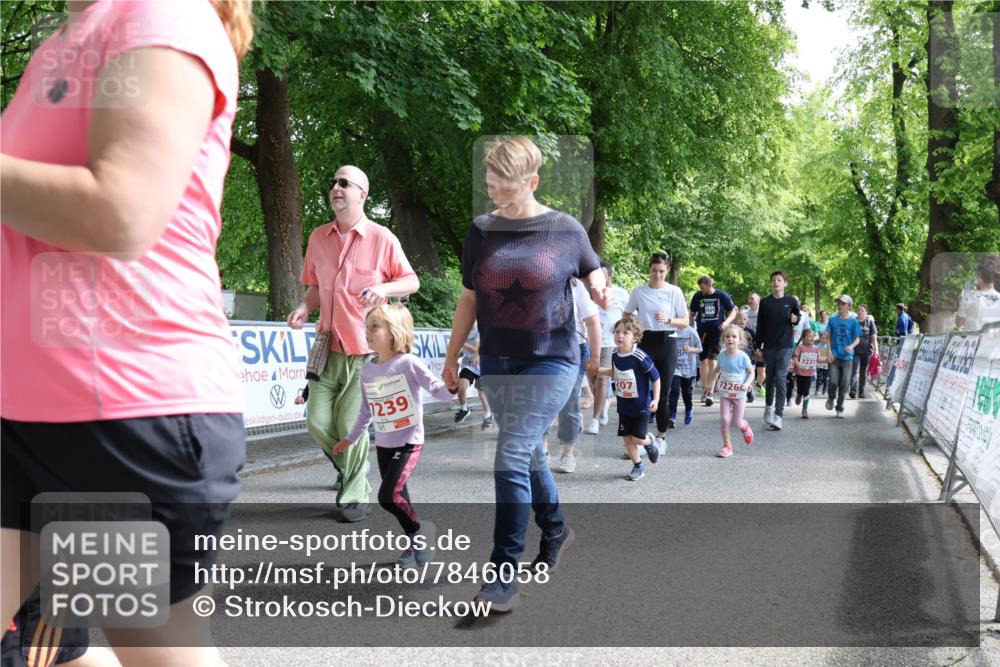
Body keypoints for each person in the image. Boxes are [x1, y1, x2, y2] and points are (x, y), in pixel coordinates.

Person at [1, 1, 255, 664]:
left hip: (118, 415)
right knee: (45, 647)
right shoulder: (69, 35)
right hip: (25, 412)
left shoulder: (159, 15)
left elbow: (121, 212)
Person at [442, 136, 610, 612]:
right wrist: (454, 356)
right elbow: (470, 298)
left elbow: (592, 270)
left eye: (505, 185)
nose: (494, 192)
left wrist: (598, 286)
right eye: (490, 183)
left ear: (532, 182)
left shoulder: (565, 228)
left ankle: (502, 574)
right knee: (529, 451)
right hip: (497, 360)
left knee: (512, 451)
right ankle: (556, 529)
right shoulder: (480, 230)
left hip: (553, 358)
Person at [287, 165, 419, 523]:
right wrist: (303, 307)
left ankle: (355, 492)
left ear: (362, 194)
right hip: (326, 346)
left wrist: (384, 288)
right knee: (315, 421)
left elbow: (411, 281)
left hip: (365, 351)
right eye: (333, 182)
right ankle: (350, 469)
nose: (336, 188)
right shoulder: (317, 238)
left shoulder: (382, 238)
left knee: (350, 425)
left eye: (344, 183)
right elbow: (315, 287)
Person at [334, 305, 454, 566]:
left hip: (409, 442)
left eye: (374, 326)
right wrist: (351, 438)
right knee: (402, 497)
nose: (367, 331)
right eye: (366, 326)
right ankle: (414, 545)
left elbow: (436, 389)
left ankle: (422, 532)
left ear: (393, 331)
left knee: (388, 496)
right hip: (385, 443)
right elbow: (367, 410)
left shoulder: (407, 363)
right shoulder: (367, 369)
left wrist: (453, 388)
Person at [624, 252, 689, 453]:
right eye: (654, 271)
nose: (657, 275)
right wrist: (634, 327)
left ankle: (661, 437)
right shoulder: (639, 291)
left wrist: (669, 319)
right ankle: (640, 438)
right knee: (640, 392)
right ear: (649, 270)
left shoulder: (674, 291)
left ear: (667, 270)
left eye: (661, 271)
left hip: (667, 342)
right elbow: (626, 314)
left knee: (663, 394)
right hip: (645, 342)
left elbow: (685, 321)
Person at [598, 316, 661, 480]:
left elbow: (656, 377)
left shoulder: (640, 357)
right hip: (624, 405)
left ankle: (649, 442)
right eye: (617, 332)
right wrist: (597, 370)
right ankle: (638, 466)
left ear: (635, 337)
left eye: (625, 332)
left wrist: (656, 399)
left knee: (637, 438)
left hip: (641, 406)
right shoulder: (614, 354)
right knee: (627, 438)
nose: (620, 335)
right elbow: (615, 372)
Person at [553, 278, 601, 474]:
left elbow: (592, 320)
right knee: (542, 400)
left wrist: (596, 356)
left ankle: (567, 453)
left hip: (574, 347)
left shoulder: (575, 286)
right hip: (541, 346)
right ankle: (542, 452)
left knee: (568, 401)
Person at [585, 260, 630, 435]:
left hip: (610, 342)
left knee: (603, 378)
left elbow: (630, 317)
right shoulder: (589, 293)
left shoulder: (621, 294)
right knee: (593, 379)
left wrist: (626, 338)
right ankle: (604, 401)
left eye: (603, 276)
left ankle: (595, 419)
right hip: (591, 341)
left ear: (609, 276)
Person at [754, 271, 801, 431]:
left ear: (785, 283)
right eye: (773, 280)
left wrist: (796, 319)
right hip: (769, 345)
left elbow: (797, 316)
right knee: (771, 377)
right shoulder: (765, 302)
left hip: (785, 345)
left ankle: (779, 416)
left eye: (779, 280)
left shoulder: (791, 300)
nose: (776, 282)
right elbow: (760, 326)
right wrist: (757, 347)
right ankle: (768, 407)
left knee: (780, 377)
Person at [690, 276, 737, 406]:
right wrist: (690, 330)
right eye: (700, 288)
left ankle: (710, 390)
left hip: (717, 332)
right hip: (702, 332)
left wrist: (726, 322)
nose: (701, 290)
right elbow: (692, 313)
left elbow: (733, 310)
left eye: (703, 288)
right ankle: (705, 389)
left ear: (710, 284)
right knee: (703, 360)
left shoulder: (721, 295)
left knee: (713, 360)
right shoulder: (698, 296)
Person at [710, 325, 755, 458]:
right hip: (725, 393)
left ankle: (745, 427)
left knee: (737, 422)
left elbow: (751, 372)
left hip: (739, 394)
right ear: (723, 339)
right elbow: (717, 370)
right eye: (727, 336)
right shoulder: (722, 356)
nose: (730, 339)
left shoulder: (742, 357)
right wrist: (710, 386)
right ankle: (727, 446)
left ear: (740, 339)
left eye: (734, 337)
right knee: (724, 419)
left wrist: (747, 384)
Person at [825, 295, 862, 418]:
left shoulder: (854, 322)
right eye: (839, 303)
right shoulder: (832, 320)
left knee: (845, 384)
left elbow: (857, 338)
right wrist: (829, 352)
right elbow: (828, 337)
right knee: (834, 381)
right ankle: (831, 397)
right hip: (834, 356)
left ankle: (840, 407)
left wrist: (851, 346)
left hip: (847, 357)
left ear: (849, 306)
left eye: (842, 303)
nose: (840, 305)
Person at [454, 322, 495, 429]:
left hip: (483, 367)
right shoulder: (464, 331)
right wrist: (461, 353)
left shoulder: (480, 331)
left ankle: (488, 415)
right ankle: (464, 409)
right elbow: (466, 348)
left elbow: (476, 349)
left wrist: (461, 343)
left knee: (482, 394)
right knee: (461, 388)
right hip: (469, 366)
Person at [669, 320, 703, 427]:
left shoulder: (691, 331)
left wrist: (690, 349)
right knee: (674, 390)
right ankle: (672, 416)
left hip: (688, 367)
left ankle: (689, 409)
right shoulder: (671, 330)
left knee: (686, 392)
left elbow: (700, 349)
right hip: (675, 367)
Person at [956, 256, 1000, 331]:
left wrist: (961, 303)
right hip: (996, 342)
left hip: (974, 341)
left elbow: (959, 323)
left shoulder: (968, 297)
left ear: (980, 278)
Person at [850, 304, 878, 399]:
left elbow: (873, 337)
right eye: (859, 310)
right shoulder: (853, 322)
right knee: (854, 371)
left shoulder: (870, 322)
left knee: (863, 372)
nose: (860, 312)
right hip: (855, 351)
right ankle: (853, 390)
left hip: (867, 351)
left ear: (866, 313)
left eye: (862, 310)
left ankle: (861, 392)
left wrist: (876, 350)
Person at [792, 329, 820, 418]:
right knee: (800, 389)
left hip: (809, 373)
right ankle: (799, 395)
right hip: (800, 372)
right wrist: (799, 365)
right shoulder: (800, 347)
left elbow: (818, 359)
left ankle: (804, 410)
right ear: (803, 338)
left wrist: (827, 359)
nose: (812, 337)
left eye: (813, 336)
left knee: (806, 391)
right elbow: (795, 358)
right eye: (809, 336)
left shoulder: (816, 348)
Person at [734, 310, 756, 403]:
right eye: (740, 319)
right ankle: (739, 394)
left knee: (748, 375)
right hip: (736, 357)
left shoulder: (750, 331)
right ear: (735, 320)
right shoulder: (733, 330)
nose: (742, 321)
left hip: (748, 357)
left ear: (747, 321)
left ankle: (749, 389)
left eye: (745, 319)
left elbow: (754, 344)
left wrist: (756, 353)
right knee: (738, 376)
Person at [747, 292, 766, 393]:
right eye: (749, 298)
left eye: (752, 298)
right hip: (749, 344)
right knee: (749, 367)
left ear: (758, 300)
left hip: (761, 343)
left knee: (761, 369)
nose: (750, 300)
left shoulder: (764, 312)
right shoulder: (746, 313)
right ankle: (750, 389)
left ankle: (760, 384)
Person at [815, 331, 831, 396]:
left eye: (825, 338)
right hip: (819, 365)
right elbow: (816, 355)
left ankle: (824, 391)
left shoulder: (829, 346)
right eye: (822, 338)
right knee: (819, 378)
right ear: (820, 338)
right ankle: (817, 390)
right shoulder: (817, 346)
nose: (824, 340)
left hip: (827, 366)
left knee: (826, 379)